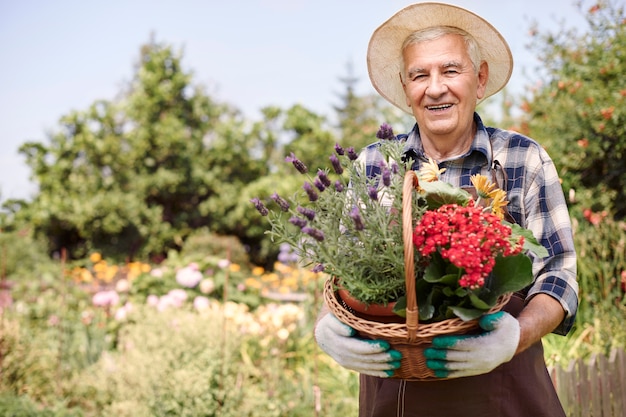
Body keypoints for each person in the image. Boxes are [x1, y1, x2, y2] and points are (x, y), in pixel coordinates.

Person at [314, 3, 579, 416]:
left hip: (506, 392)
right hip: (397, 396)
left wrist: (514, 337)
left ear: (480, 78)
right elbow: (343, 276)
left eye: (450, 70)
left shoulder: (521, 159)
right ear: (406, 87)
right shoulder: (374, 166)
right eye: (420, 75)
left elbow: (559, 274)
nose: (435, 88)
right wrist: (328, 325)